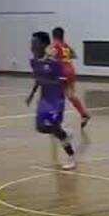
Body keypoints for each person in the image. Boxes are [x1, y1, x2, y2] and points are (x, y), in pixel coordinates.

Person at [27, 31, 77, 170]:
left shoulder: (53, 62)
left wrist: (66, 87)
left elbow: (63, 78)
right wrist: (31, 94)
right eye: (31, 43)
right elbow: (38, 79)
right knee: (41, 128)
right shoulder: (34, 62)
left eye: (34, 43)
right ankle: (64, 134)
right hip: (44, 100)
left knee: (55, 127)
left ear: (43, 45)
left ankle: (71, 157)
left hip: (56, 100)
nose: (32, 46)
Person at [48, 27, 90, 128]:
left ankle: (55, 120)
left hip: (62, 72)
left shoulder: (55, 45)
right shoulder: (66, 45)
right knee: (70, 95)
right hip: (70, 70)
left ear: (53, 36)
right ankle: (84, 114)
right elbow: (74, 55)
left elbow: (49, 57)